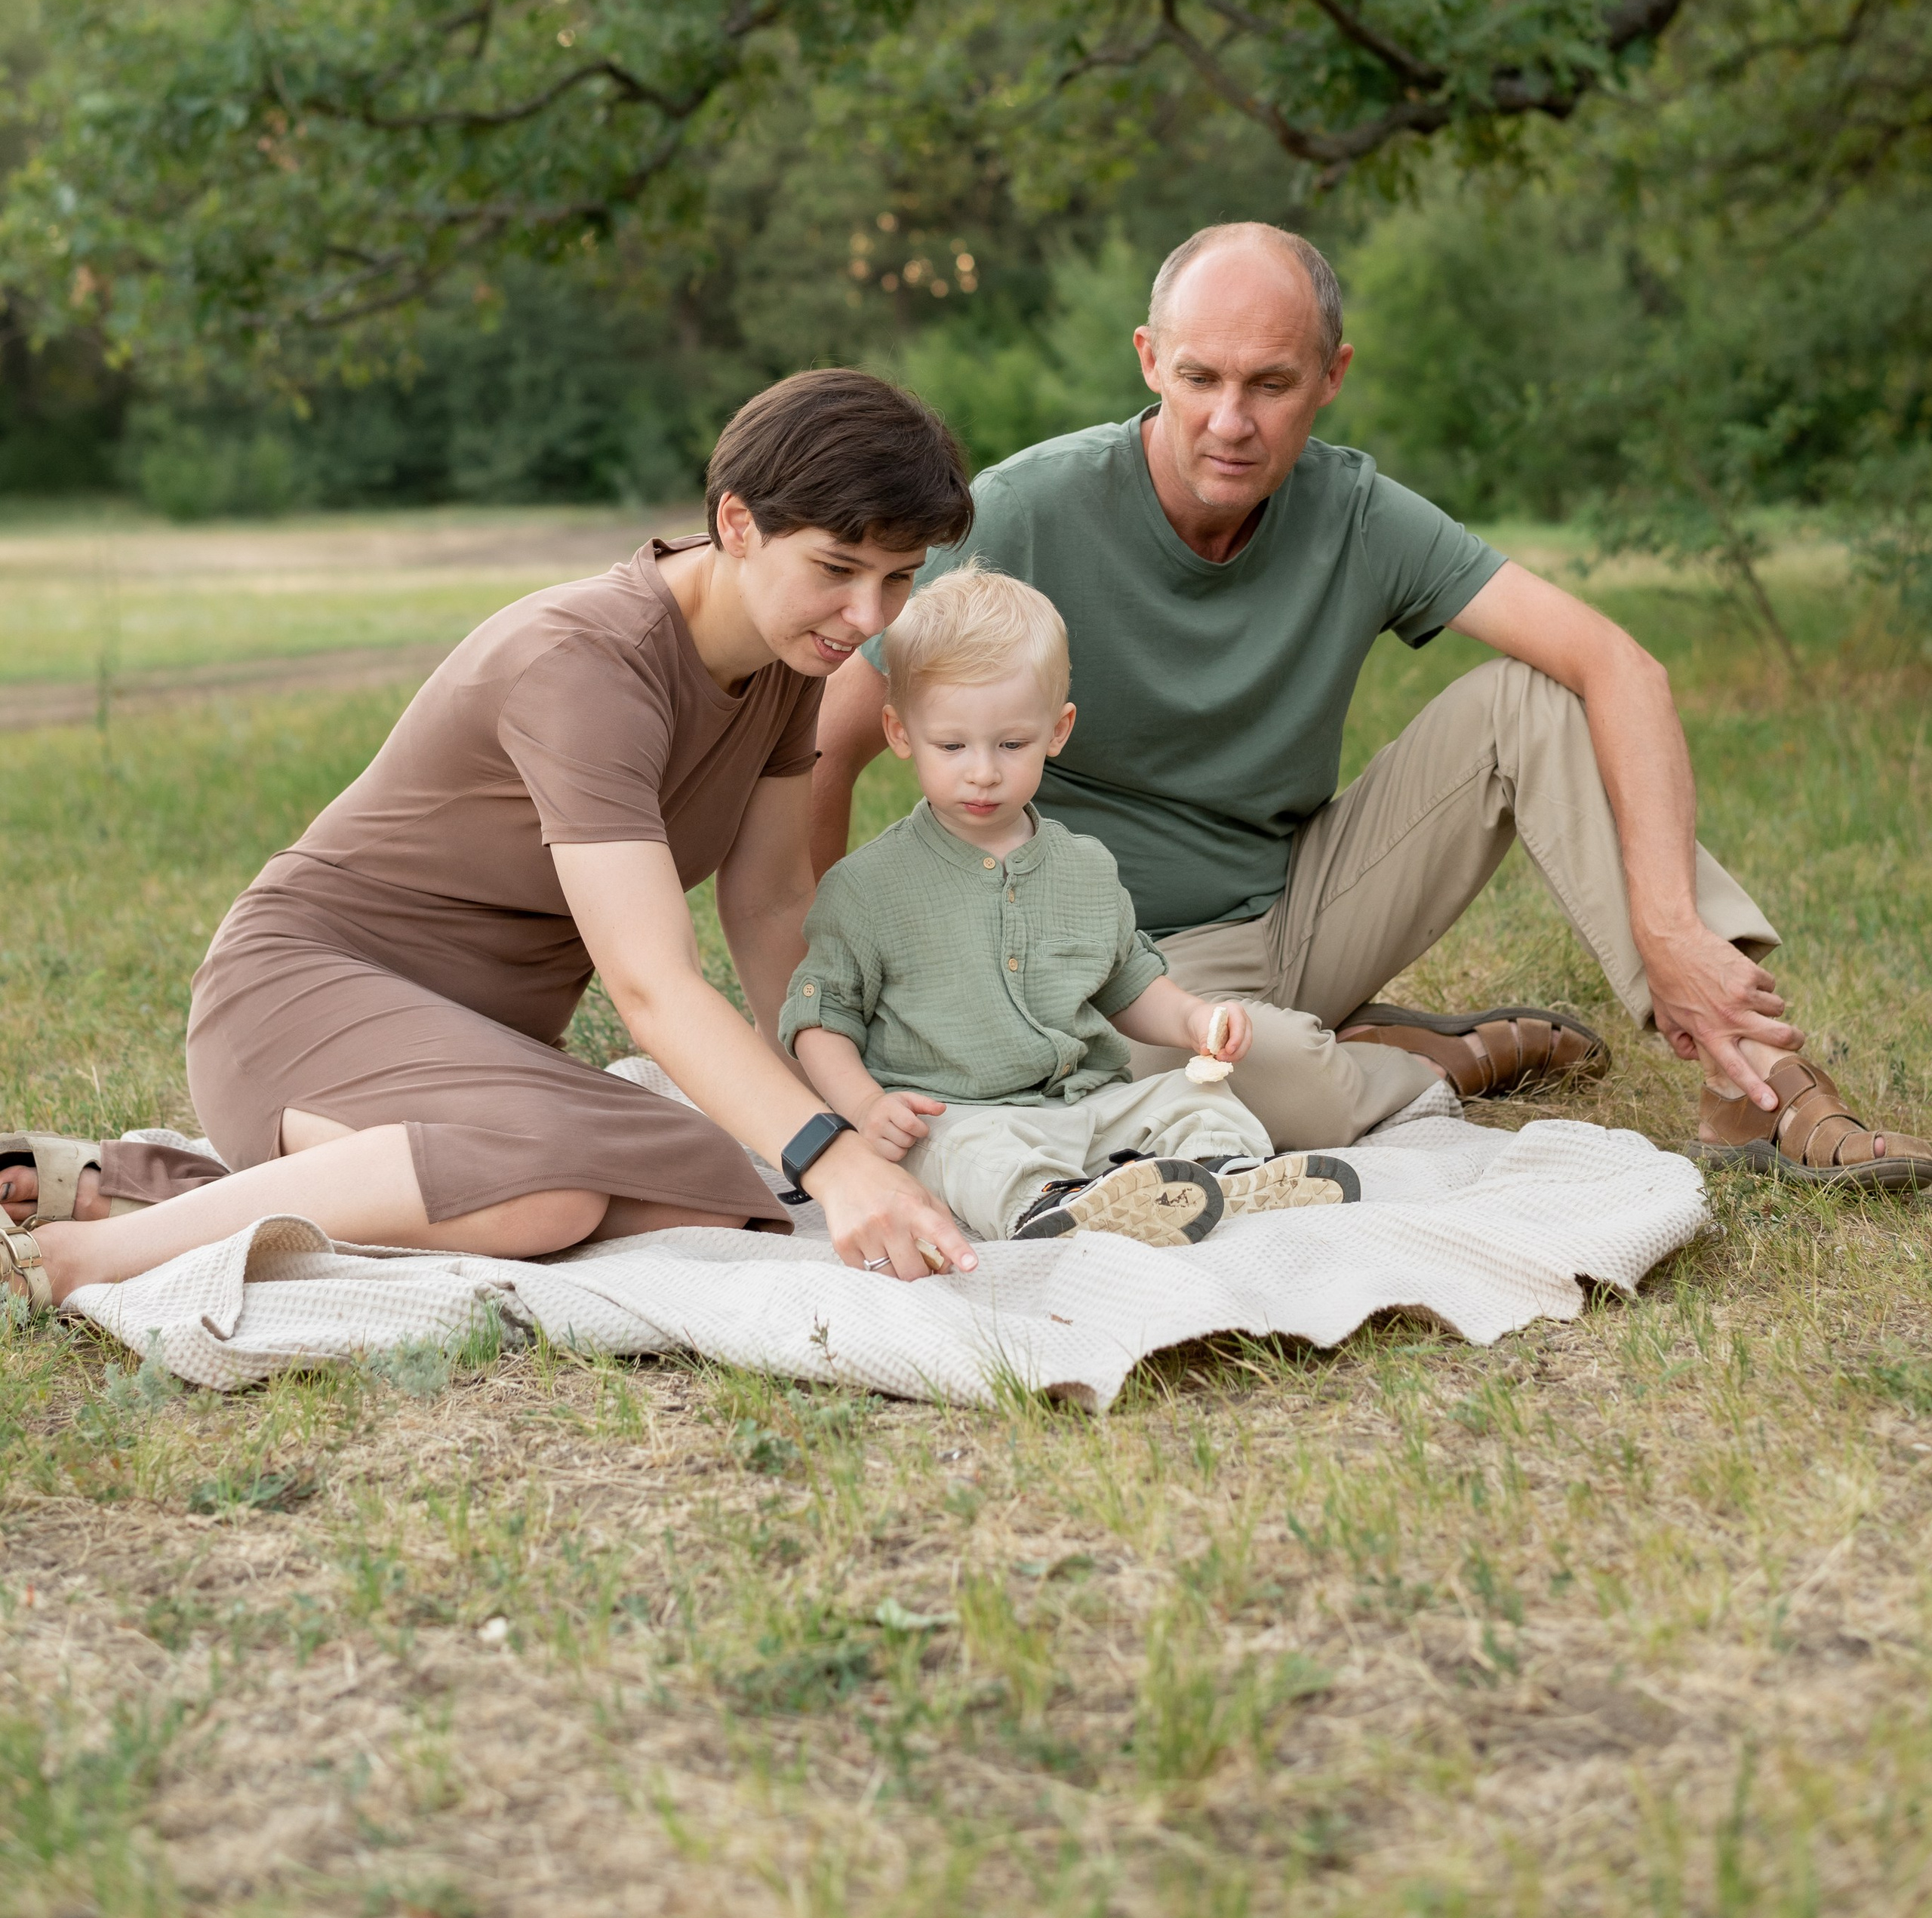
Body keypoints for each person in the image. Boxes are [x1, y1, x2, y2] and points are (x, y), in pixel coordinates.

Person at [811, 224, 1932, 1190]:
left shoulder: (1354, 512)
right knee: (1183, 1093)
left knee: (1532, 697)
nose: (1230, 420)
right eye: (1200, 377)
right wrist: (848, 979)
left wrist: (1670, 926)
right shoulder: (1025, 512)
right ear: (1150, 360)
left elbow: (1620, 664)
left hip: (1303, 904)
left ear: (1332, 374)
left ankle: (1759, 1082)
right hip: (1110, 970)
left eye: (1272, 382)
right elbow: (833, 748)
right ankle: (1442, 1057)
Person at [2, 371, 988, 1318]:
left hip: (483, 1053)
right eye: (837, 569)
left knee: (718, 1191)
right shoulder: (588, 664)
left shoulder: (787, 657)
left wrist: (838, 1101)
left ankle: (145, 1184)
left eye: (899, 578)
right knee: (543, 1198)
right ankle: (85, 1257)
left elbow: (771, 902)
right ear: (738, 521)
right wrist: (830, 1155)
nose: (867, 617)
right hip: (302, 994)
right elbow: (651, 985)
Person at [780, 564, 1363, 1246]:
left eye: (1012, 743)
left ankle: (1225, 1173)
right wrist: (865, 1104)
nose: (983, 770)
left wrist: (1195, 1019)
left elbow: (1128, 983)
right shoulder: (869, 886)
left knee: (1190, 1094)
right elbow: (821, 1017)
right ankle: (1050, 1203)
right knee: (964, 1153)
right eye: (952, 744)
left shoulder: (1085, 866)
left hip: (1088, 1103)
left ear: (1057, 730)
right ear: (899, 731)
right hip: (956, 1112)